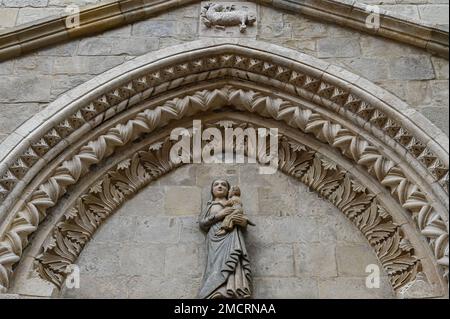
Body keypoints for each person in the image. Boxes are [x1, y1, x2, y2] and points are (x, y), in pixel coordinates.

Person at [197, 179, 252, 299]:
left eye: (224, 185)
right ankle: (212, 291)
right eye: (216, 184)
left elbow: (243, 221)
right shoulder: (211, 205)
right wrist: (219, 215)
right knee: (215, 265)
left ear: (228, 190)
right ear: (212, 190)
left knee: (233, 260)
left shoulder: (233, 203)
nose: (220, 186)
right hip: (215, 238)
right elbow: (202, 223)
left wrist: (242, 222)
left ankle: (231, 288)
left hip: (232, 236)